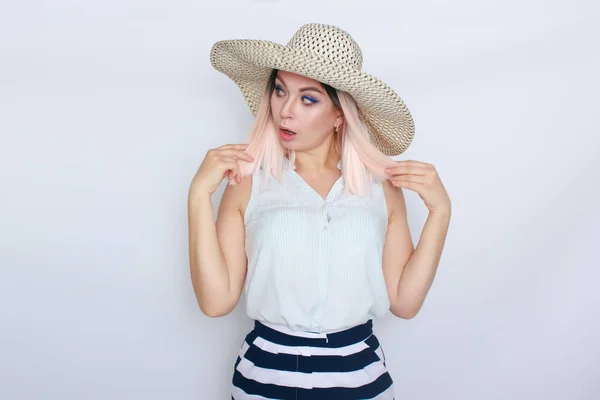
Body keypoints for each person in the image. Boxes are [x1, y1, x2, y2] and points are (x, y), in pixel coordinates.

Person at [188, 23, 451, 400]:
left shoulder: (381, 189)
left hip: (359, 377)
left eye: (308, 99)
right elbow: (216, 302)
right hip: (265, 377)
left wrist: (440, 212)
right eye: (280, 91)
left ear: (340, 115)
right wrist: (198, 194)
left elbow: (404, 303)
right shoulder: (247, 182)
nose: (285, 111)